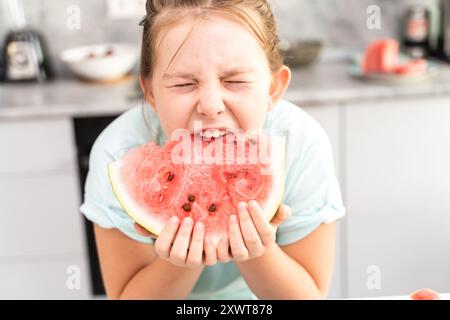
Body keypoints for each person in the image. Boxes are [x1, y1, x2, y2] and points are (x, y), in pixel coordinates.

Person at [80, 0, 346, 300]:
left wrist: (257, 251)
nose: (210, 106)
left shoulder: (301, 144)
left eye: (234, 81)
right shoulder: (116, 155)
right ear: (151, 93)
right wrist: (179, 263)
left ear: (273, 88)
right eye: (183, 84)